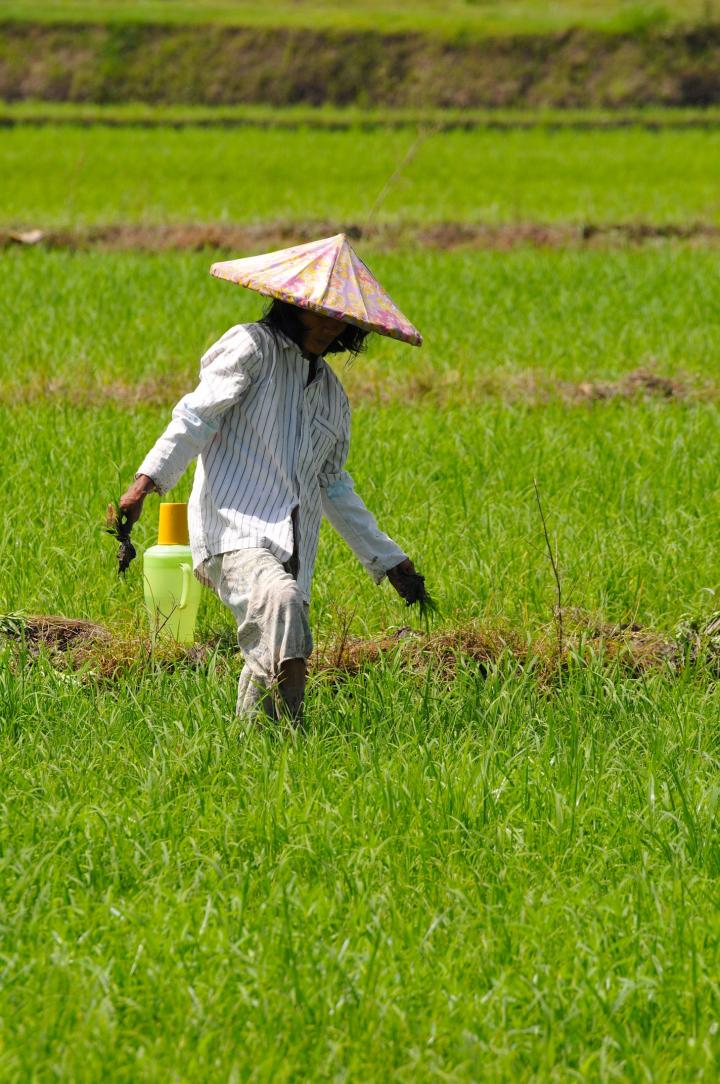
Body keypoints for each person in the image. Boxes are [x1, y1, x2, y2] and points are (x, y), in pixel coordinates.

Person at [118, 234, 428, 726]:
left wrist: (387, 559)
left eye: (340, 315)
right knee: (280, 606)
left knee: (276, 645)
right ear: (294, 304)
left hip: (293, 549)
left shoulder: (331, 396)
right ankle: (284, 739)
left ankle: (262, 750)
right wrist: (147, 481)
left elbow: (332, 485)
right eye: (319, 310)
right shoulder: (251, 349)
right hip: (234, 530)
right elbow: (196, 417)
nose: (330, 324)